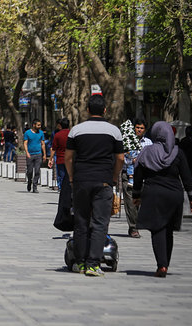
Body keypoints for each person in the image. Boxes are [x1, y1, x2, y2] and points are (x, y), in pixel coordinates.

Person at [64, 95, 124, 277]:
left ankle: (80, 263)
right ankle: (93, 264)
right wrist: (113, 177)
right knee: (100, 223)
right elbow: (120, 158)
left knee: (81, 222)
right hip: (104, 181)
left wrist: (72, 177)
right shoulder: (114, 131)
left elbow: (68, 157)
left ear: (87, 110)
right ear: (105, 110)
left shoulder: (76, 130)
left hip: (81, 181)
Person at [133, 121, 192, 278]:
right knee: (168, 229)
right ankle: (165, 264)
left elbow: (138, 176)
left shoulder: (147, 152)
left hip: (153, 194)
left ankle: (162, 265)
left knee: (157, 229)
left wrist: (136, 195)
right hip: (174, 195)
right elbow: (186, 176)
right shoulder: (177, 152)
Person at [122, 118, 152, 238]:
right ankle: (133, 227)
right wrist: (130, 160)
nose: (139, 130)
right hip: (128, 174)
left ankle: (138, 222)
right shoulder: (126, 140)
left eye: (141, 128)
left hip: (143, 174)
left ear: (145, 130)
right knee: (130, 202)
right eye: (137, 127)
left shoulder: (149, 143)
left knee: (140, 202)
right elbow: (122, 156)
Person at [23, 119, 46, 193]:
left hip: (38, 154)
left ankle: (35, 187)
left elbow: (43, 144)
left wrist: (44, 154)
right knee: (29, 171)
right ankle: (29, 182)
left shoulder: (41, 133)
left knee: (37, 171)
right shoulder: (27, 133)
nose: (40, 126)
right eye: (38, 125)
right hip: (30, 154)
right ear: (34, 125)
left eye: (40, 125)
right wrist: (27, 152)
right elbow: (25, 143)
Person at [49, 118, 70, 192]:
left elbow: (53, 148)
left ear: (60, 125)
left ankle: (61, 189)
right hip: (70, 159)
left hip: (60, 159)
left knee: (61, 176)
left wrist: (50, 159)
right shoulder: (72, 134)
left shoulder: (57, 135)